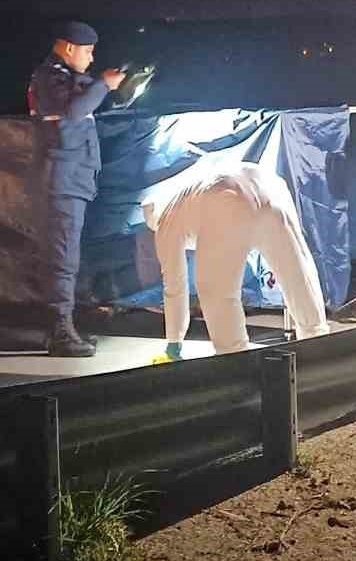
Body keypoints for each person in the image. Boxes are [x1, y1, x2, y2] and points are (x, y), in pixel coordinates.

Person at [143, 162, 331, 358]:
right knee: (297, 271)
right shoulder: (188, 193)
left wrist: (174, 340)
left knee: (216, 290)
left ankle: (235, 359)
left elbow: (174, 284)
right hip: (269, 185)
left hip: (226, 197)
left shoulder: (166, 218)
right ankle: (317, 345)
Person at [27, 21, 124, 357]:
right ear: (69, 48)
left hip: (73, 180)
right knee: (62, 258)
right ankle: (60, 331)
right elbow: (74, 110)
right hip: (62, 181)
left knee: (67, 256)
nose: (92, 57)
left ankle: (64, 327)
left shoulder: (64, 78)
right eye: (87, 50)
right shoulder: (49, 77)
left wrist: (107, 88)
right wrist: (103, 85)